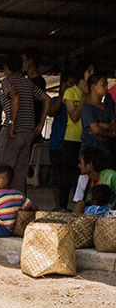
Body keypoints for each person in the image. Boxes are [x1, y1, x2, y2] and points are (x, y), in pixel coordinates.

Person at [0, 53, 50, 193]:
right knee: (20, 172)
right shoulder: (28, 82)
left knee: (0, 170)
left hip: (13, 132)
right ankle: (17, 205)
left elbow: (15, 96)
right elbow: (47, 99)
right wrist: (40, 124)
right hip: (28, 131)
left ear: (6, 68)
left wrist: (12, 123)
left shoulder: (7, 81)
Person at [59, 63, 93, 208]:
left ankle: (80, 205)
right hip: (72, 138)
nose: (92, 73)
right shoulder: (70, 92)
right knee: (67, 174)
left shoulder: (93, 92)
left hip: (87, 138)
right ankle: (62, 206)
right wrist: (84, 97)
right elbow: (74, 116)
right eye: (89, 71)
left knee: (83, 175)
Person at [48, 72, 75, 210]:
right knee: (57, 175)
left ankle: (66, 203)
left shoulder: (76, 100)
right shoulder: (56, 100)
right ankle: (58, 205)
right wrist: (61, 96)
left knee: (68, 175)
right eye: (68, 83)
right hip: (57, 143)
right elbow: (51, 112)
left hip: (70, 142)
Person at [81, 73, 116, 159]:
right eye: (103, 85)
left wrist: (102, 125)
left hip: (106, 152)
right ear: (93, 87)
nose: (106, 88)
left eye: (106, 85)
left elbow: (114, 126)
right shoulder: (87, 107)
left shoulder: (107, 107)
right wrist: (110, 133)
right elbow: (95, 129)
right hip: (90, 153)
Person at [72, 148, 116, 213]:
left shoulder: (111, 175)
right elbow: (79, 201)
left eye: (81, 162)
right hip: (91, 212)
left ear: (90, 164)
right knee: (80, 204)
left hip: (110, 212)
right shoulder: (83, 178)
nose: (78, 165)